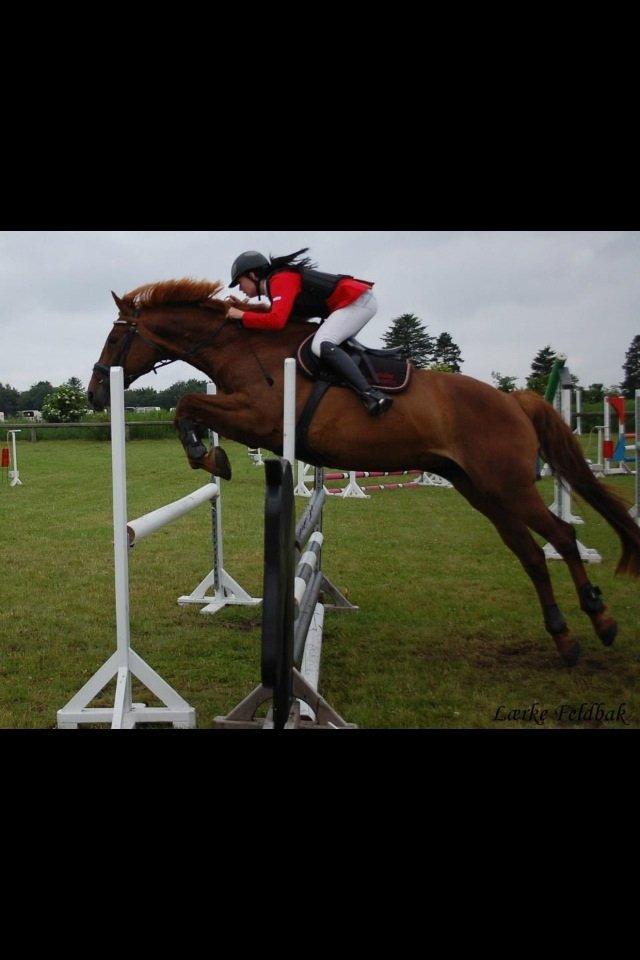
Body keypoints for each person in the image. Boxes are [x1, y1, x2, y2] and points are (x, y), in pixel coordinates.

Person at [225, 248, 393, 416]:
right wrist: (244, 309)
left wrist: (242, 315)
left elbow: (276, 320)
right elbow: (277, 315)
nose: (240, 288)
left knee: (321, 344)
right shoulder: (275, 283)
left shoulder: (280, 279)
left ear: (253, 275)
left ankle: (371, 394)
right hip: (354, 302)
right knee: (325, 347)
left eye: (240, 282)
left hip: (357, 301)